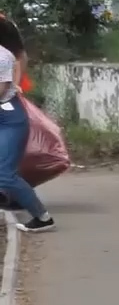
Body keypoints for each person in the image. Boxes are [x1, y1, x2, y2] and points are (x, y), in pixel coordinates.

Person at [0, 39, 54, 233]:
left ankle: (43, 217)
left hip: (8, 120)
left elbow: (1, 89)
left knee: (5, 175)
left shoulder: (2, 56)